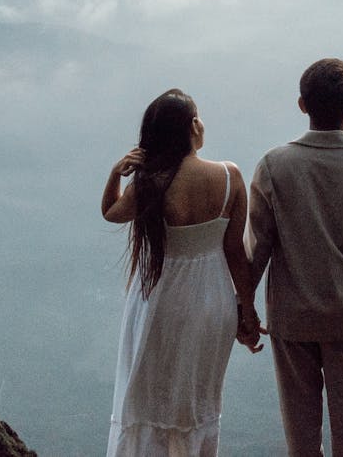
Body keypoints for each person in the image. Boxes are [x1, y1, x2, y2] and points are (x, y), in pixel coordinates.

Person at [242, 58, 343, 457]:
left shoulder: (274, 167)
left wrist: (244, 312)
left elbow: (255, 248)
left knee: (301, 438)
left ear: (301, 104)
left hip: (291, 321)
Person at [102, 88, 264, 457]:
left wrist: (116, 173)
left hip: (158, 299)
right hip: (212, 303)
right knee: (197, 404)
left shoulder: (151, 183)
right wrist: (247, 312)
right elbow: (236, 252)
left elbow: (110, 211)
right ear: (194, 126)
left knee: (145, 401)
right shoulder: (229, 177)